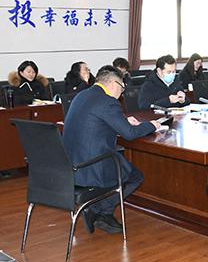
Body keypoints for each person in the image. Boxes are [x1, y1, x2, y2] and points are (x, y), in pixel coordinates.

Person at [62, 65, 161, 234]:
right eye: (122, 88)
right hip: (90, 166)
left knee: (122, 165)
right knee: (135, 176)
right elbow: (129, 134)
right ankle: (99, 210)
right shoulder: (108, 102)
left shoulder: (82, 95)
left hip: (69, 162)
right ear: (115, 84)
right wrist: (152, 125)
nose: (122, 93)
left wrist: (123, 121)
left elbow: (95, 120)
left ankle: (98, 211)